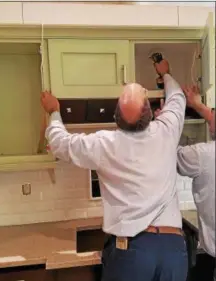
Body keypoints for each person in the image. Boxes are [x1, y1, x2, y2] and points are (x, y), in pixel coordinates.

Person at [41, 60, 188, 281]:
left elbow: (61, 143)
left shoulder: (103, 144)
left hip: (133, 254)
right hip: (173, 252)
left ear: (115, 117)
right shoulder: (167, 130)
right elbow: (177, 97)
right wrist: (165, 73)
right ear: (151, 115)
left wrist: (54, 111)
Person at [176, 85, 215, 281]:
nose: (209, 120)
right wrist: (198, 106)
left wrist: (164, 123)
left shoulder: (204, 155)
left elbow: (169, 153)